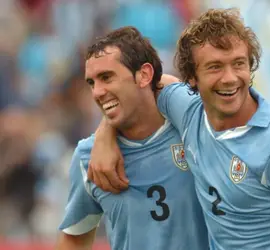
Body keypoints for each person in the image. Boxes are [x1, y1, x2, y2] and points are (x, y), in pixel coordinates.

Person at [90, 9, 270, 249]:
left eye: (238, 64)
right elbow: (139, 90)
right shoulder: (187, 110)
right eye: (215, 67)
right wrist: (105, 133)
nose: (229, 78)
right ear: (192, 78)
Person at [55, 26, 208, 250]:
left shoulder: (193, 128)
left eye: (107, 77)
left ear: (144, 75)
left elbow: (170, 84)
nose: (97, 92)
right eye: (92, 82)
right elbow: (74, 239)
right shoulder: (87, 157)